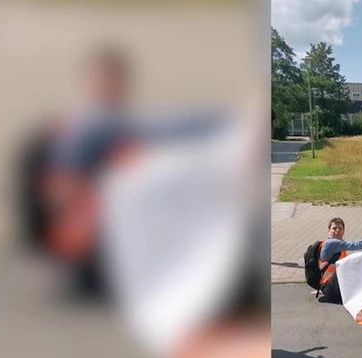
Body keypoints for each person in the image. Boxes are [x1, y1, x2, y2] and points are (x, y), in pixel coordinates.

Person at [45, 44, 229, 296]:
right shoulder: (85, 128)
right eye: (104, 80)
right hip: (109, 240)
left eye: (115, 80)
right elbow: (62, 192)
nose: (110, 87)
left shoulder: (120, 122)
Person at [317, 217, 362, 304]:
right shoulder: (330, 244)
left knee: (353, 264)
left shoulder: (339, 245)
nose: (337, 231)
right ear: (329, 232)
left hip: (332, 286)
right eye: (334, 228)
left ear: (343, 231)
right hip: (330, 287)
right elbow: (356, 244)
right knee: (353, 265)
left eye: (340, 229)